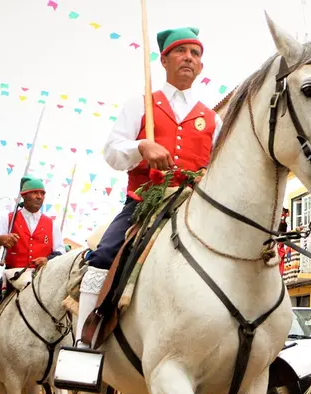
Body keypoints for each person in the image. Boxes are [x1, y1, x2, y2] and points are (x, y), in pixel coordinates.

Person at [74, 26, 222, 350]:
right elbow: (112, 153)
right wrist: (142, 146)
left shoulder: (212, 119)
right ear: (164, 59)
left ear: (201, 67)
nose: (189, 58)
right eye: (181, 51)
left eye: (195, 53)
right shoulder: (140, 104)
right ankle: (84, 345)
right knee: (102, 258)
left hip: (196, 208)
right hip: (144, 203)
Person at [0, 177, 64, 369]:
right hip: (13, 275)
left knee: (65, 310)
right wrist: (0, 239)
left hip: (42, 278)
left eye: (42, 193)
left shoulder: (51, 224)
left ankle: (64, 360)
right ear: (24, 195)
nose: (39, 197)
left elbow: (60, 252)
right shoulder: (8, 219)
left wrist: (48, 259)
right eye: (35, 193)